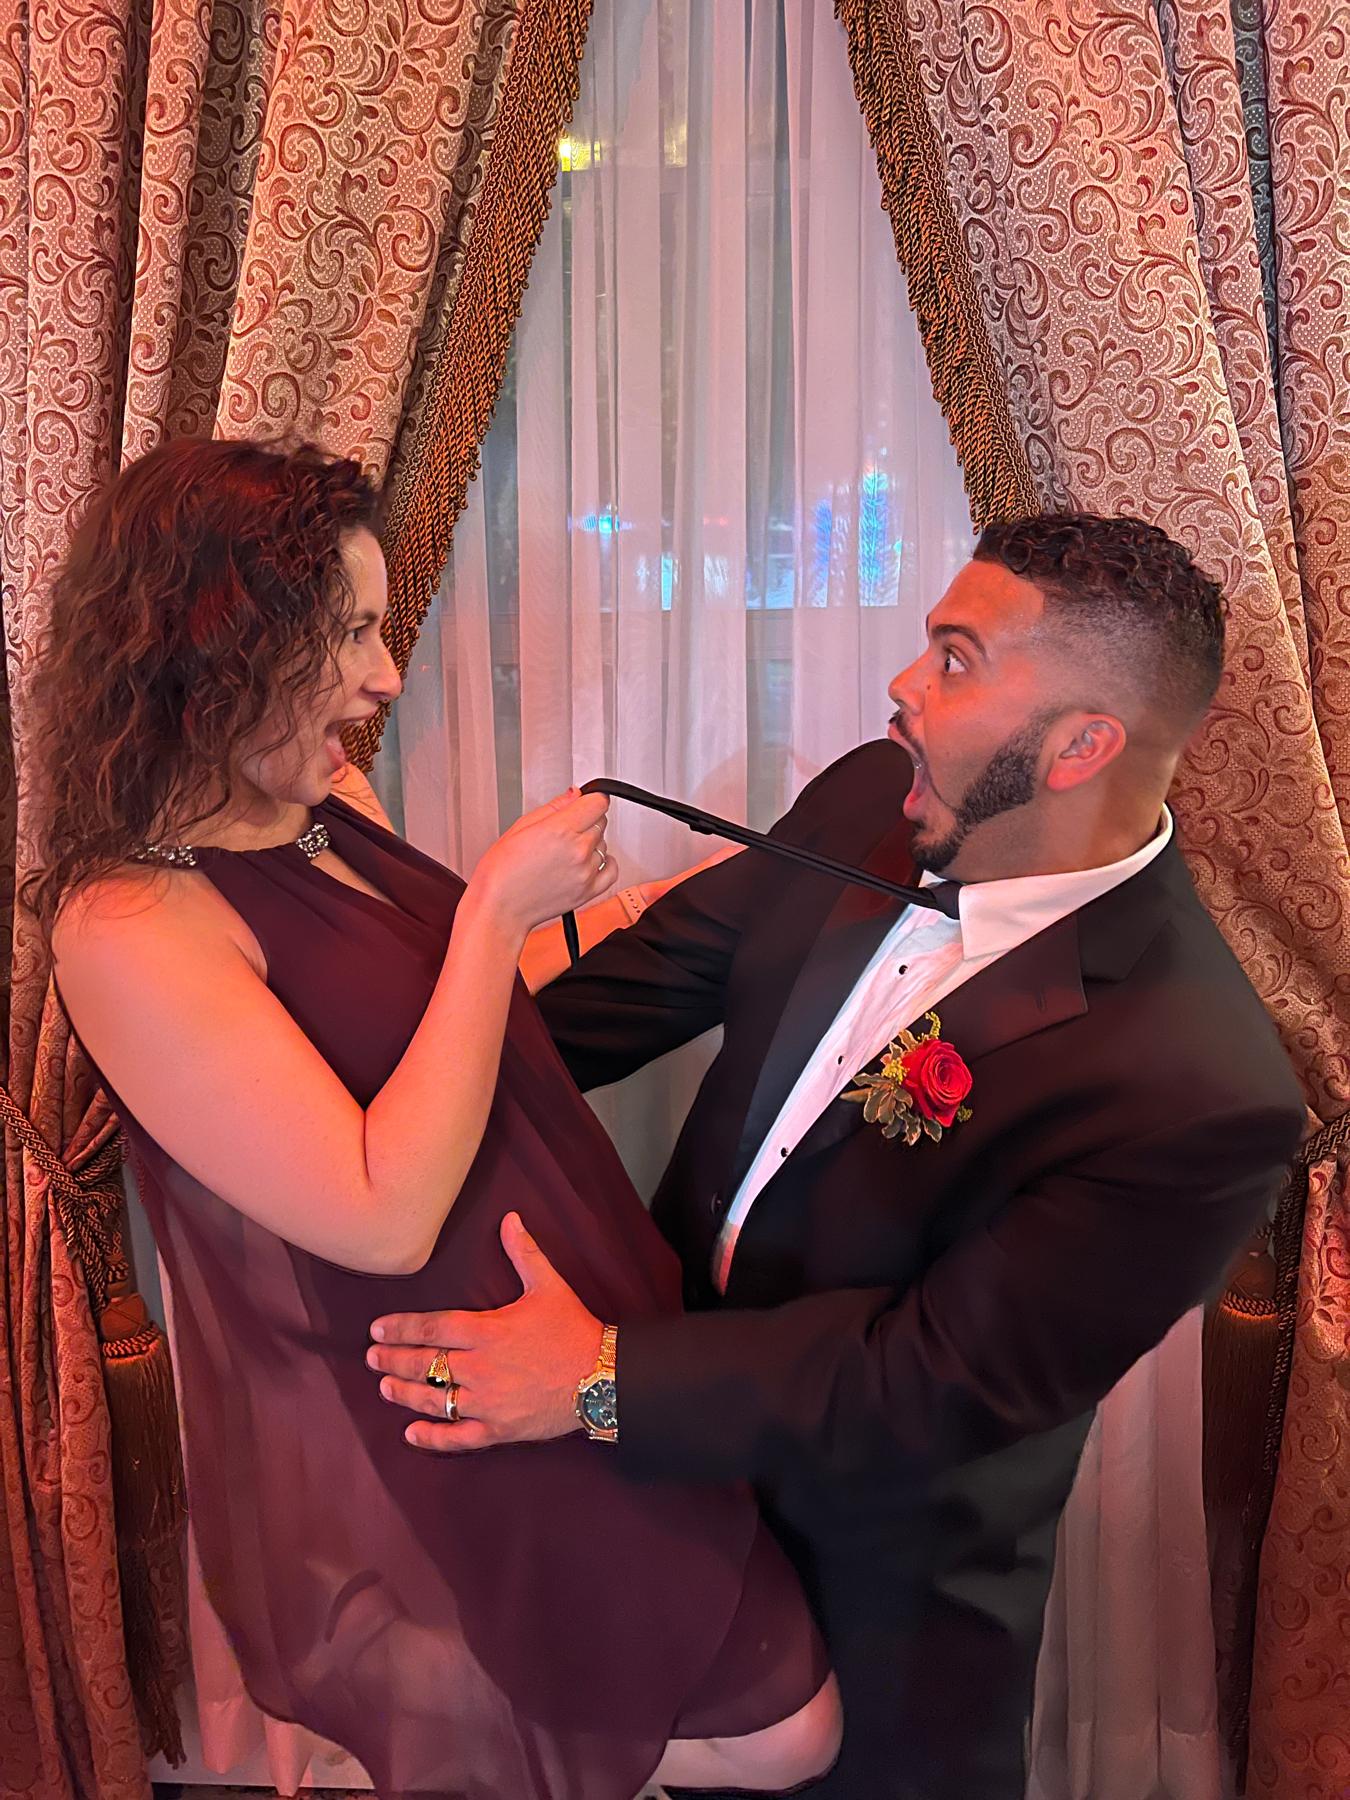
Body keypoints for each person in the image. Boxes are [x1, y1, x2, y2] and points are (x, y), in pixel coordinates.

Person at [367, 513, 1306, 1799]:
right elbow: (637, 990)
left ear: (1082, 747)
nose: (903, 686)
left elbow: (925, 1383)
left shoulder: (1203, 1090)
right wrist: (375, 1083)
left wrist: (593, 1377)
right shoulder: (878, 795)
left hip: (876, 1601)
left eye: (956, 660)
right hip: (644, 1500)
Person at [38, 437, 842, 1800]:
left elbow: (449, 1022)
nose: (387, 677)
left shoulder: (315, 810)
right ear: (216, 649)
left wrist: (708, 911)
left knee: (698, 1680)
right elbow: (379, 1212)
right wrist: (493, 911)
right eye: (349, 634)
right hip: (455, 1371)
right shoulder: (129, 923)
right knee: (776, 1731)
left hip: (571, 1324)